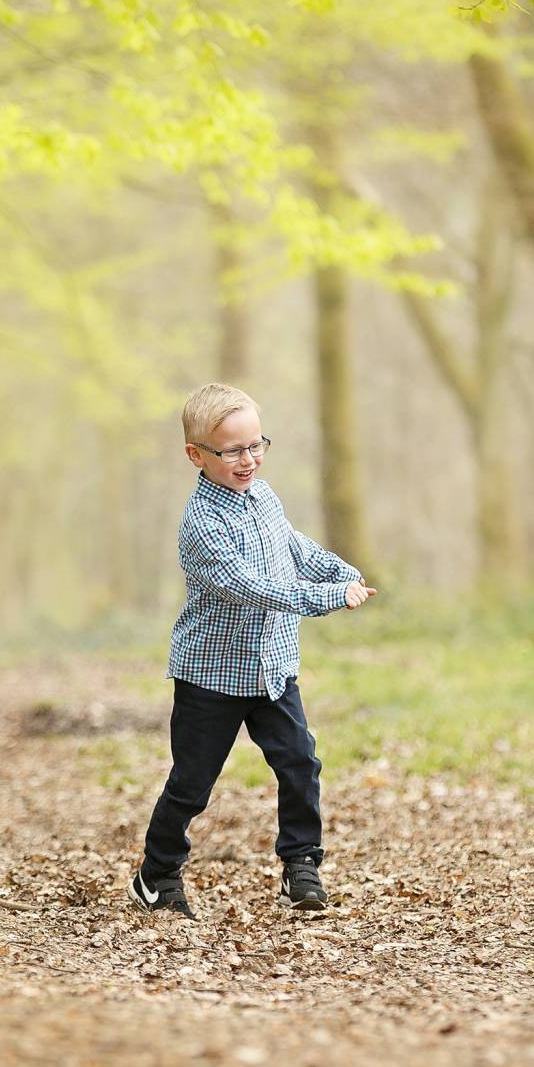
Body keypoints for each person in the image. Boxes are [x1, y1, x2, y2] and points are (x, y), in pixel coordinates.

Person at [130, 383, 375, 920]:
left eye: (256, 444)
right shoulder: (202, 524)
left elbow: (292, 548)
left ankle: (301, 864)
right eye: (232, 451)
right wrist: (327, 597)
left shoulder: (263, 497)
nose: (249, 459)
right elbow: (254, 586)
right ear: (197, 455)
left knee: (300, 763)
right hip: (211, 677)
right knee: (192, 784)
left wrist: (340, 571)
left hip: (272, 669)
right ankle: (157, 872)